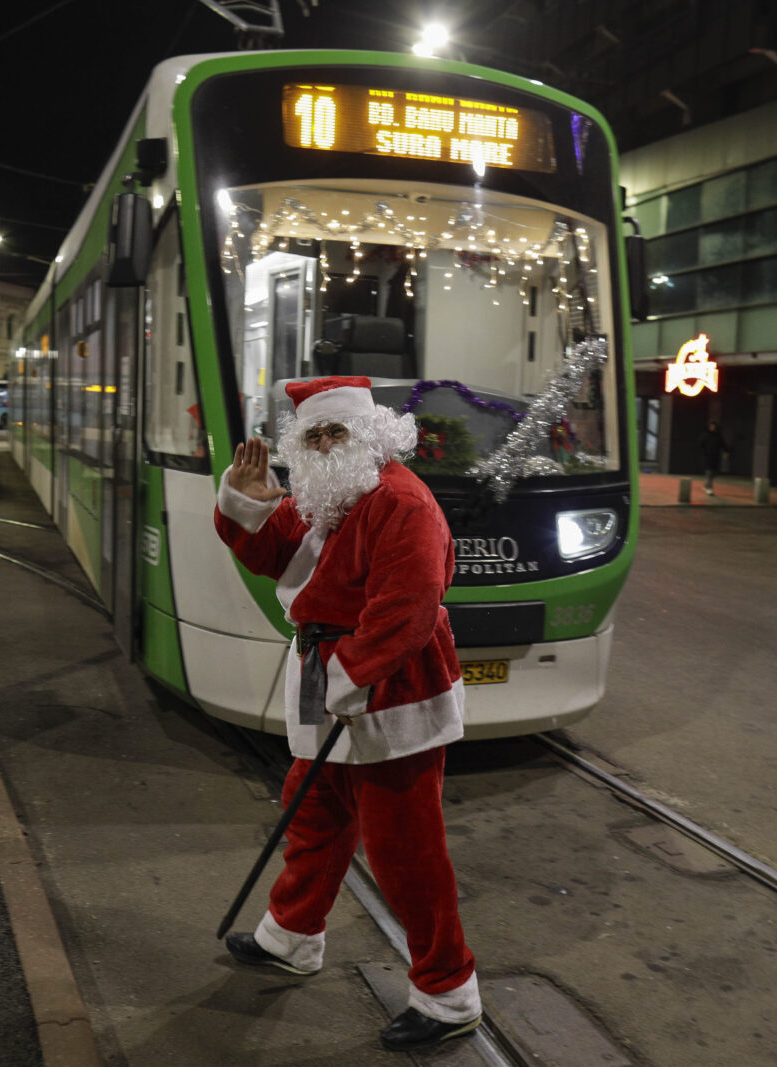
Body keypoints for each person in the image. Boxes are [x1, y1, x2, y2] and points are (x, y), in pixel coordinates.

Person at [213, 375, 480, 1053]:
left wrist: (354, 674)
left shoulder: (402, 501)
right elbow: (280, 558)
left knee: (405, 849)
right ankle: (291, 936)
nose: (327, 444)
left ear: (371, 433)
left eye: (338, 431)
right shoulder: (327, 496)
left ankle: (448, 993)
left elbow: (410, 605)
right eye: (315, 435)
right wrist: (246, 510)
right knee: (314, 813)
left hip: (391, 685)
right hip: (331, 676)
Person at [697, 420, 730, 495]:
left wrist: (726, 452)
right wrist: (703, 453)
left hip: (716, 457)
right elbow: (700, 444)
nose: (712, 428)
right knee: (709, 472)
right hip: (707, 456)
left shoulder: (718, 436)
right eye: (711, 426)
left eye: (713, 426)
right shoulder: (705, 435)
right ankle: (709, 488)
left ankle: (706, 485)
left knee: (714, 473)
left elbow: (723, 444)